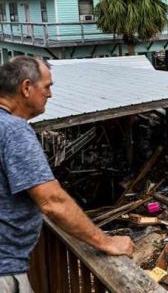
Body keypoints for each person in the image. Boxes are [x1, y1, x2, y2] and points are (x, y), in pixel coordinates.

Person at [0, 56, 134, 292]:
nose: (50, 94)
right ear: (26, 87)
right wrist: (106, 242)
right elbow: (52, 201)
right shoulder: (14, 131)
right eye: (47, 86)